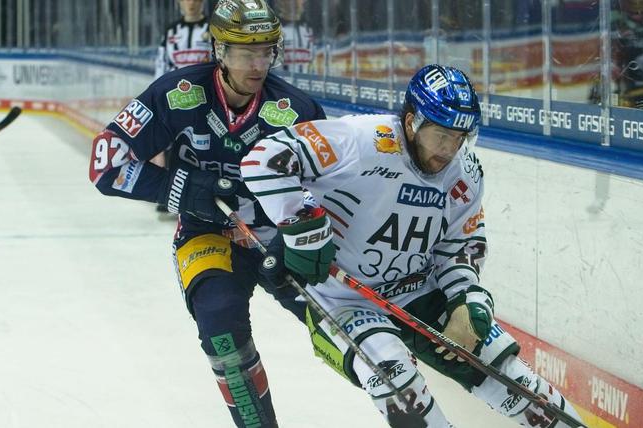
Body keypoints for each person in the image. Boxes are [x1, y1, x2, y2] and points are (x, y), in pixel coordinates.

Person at [241, 64, 584, 427]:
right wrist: (302, 226)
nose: (449, 149)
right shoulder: (362, 139)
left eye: (460, 136)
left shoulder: (465, 173)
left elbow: (461, 243)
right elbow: (264, 159)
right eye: (441, 135)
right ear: (410, 122)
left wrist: (466, 299)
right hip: (343, 298)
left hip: (418, 289)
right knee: (398, 385)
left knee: (512, 376)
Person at [88, 1, 325, 427]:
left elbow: (331, 192)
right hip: (206, 235)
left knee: (342, 329)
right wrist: (181, 189)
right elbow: (105, 164)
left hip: (280, 239)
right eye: (245, 52)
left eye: (266, 52)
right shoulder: (174, 94)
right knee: (221, 329)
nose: (258, 65)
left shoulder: (297, 109)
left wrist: (301, 234)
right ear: (219, 50)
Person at [152, 0, 212, 216]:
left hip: (206, 101)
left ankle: (202, 195)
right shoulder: (171, 32)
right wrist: (158, 97)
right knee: (174, 146)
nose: (191, 3)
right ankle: (172, 194)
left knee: (203, 149)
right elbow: (162, 66)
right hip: (176, 101)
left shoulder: (213, 30)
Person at [276, 0, 315, 75]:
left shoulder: (308, 30)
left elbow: (313, 62)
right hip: (280, 80)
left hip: (306, 80)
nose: (299, 3)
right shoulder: (273, 30)